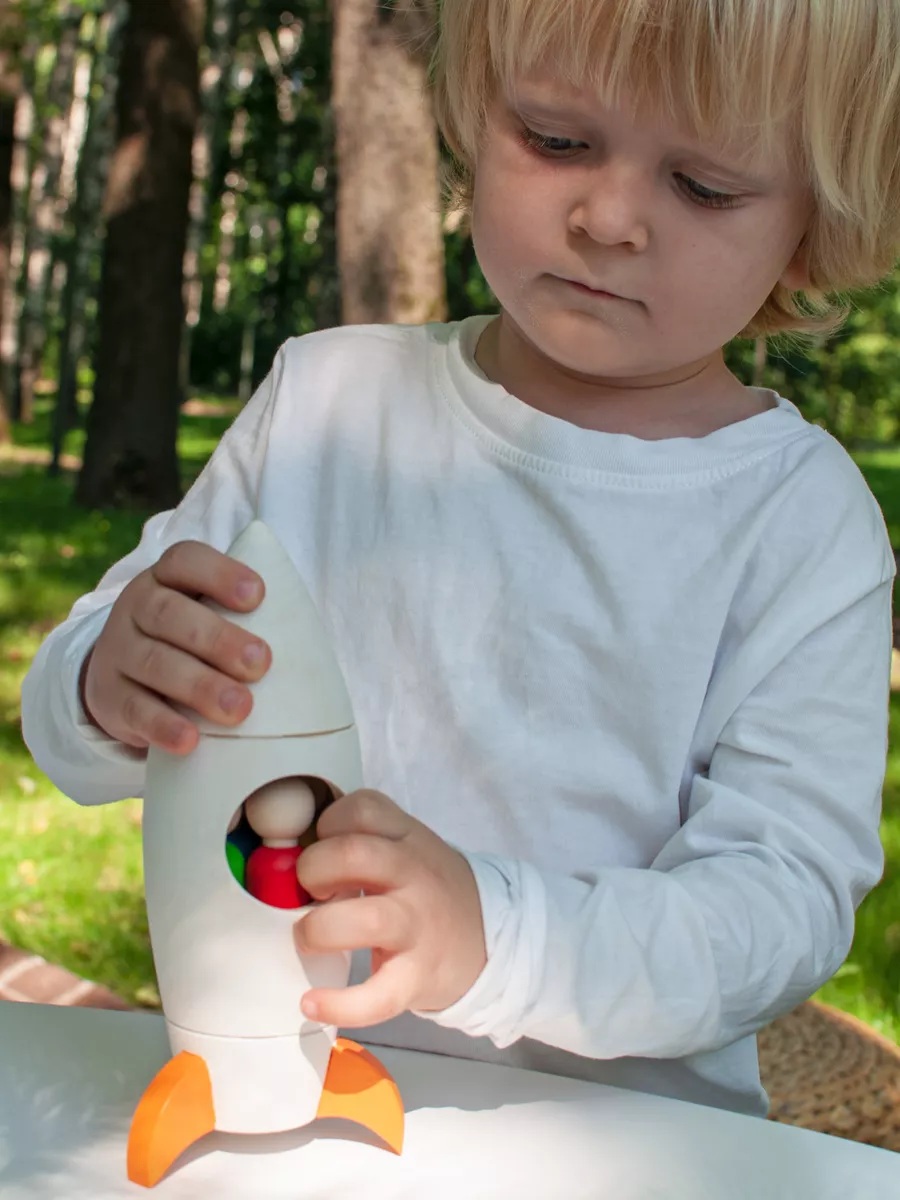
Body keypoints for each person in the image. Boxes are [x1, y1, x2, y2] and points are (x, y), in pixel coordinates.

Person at [21, 0, 900, 1117]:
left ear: (814, 222)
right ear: (474, 113)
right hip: (282, 1104)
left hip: (627, 1152)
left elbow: (779, 909)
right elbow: (68, 734)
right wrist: (110, 683)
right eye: (556, 138)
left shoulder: (795, 520)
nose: (610, 215)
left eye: (706, 187)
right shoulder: (325, 407)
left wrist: (491, 938)